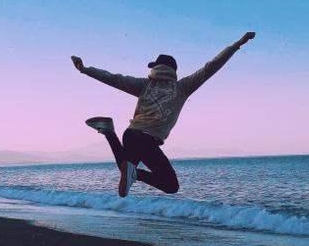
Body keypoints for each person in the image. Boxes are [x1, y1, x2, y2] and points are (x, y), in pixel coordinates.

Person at [71, 31, 256, 197]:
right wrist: (237, 44)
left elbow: (114, 78)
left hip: (130, 135)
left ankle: (111, 134)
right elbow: (211, 67)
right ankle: (118, 145)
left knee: (125, 168)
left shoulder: (144, 85)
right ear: (173, 71)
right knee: (171, 185)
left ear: (156, 68)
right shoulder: (182, 87)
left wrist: (85, 70)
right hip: (147, 140)